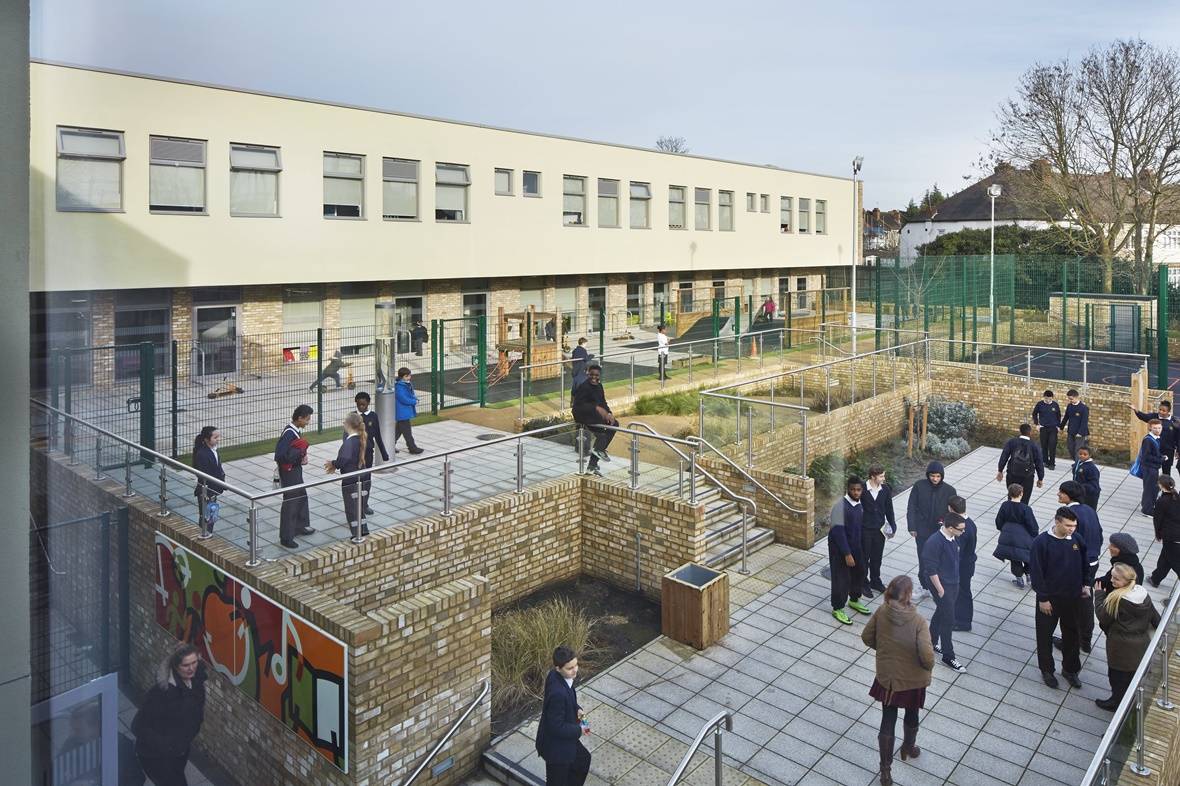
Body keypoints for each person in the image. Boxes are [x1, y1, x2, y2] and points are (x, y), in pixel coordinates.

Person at [862, 575, 934, 786]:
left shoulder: (882, 611)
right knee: (912, 714)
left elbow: (867, 637)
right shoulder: (919, 621)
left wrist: (885, 651)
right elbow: (927, 657)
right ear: (908, 595)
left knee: (888, 718)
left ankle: (885, 772)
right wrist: (928, 667)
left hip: (889, 678)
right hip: (913, 680)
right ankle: (908, 747)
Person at [132, 643, 206, 786]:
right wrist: (168, 746)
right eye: (186, 665)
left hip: (180, 751)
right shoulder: (161, 693)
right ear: (176, 666)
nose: (191, 668)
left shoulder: (196, 681)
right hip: (155, 757)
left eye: (194, 663)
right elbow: (137, 726)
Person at [1029, 507, 1087, 689]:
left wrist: (1086, 584)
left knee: (1072, 635)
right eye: (1068, 525)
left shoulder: (1077, 539)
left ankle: (1070, 670)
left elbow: (1085, 563)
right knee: (1045, 636)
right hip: (1050, 600)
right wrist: (1043, 598)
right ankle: (1047, 670)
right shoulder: (1041, 542)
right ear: (1057, 522)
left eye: (1074, 526)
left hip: (1073, 598)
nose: (1072, 529)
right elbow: (1036, 573)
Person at [1094, 563, 1160, 711]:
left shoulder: (1117, 599)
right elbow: (1155, 618)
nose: (1112, 581)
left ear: (1125, 581)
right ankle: (1126, 701)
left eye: (1116, 579)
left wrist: (1099, 596)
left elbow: (1102, 617)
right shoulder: (1143, 594)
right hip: (1140, 645)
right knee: (1131, 676)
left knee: (1117, 677)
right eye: (1112, 576)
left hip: (1120, 648)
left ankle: (1116, 704)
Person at [536, 645, 591, 786]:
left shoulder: (557, 676)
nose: (575, 670)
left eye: (576, 665)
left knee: (583, 760)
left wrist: (576, 709)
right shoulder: (557, 694)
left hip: (563, 742)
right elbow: (556, 727)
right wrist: (580, 730)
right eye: (570, 668)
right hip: (556, 749)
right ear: (558, 668)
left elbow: (568, 699)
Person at [1059, 480, 1102, 653]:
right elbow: (1099, 534)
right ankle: (1086, 640)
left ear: (1069, 495)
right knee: (1086, 601)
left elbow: (1067, 541)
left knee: (1071, 604)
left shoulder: (1069, 514)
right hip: (1093, 561)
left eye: (1061, 492)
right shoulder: (1090, 510)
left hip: (1077, 564)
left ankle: (1071, 641)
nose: (1058, 494)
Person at [922, 512, 967, 673]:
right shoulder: (934, 542)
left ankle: (931, 641)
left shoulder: (953, 537)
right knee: (949, 618)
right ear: (949, 528)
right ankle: (948, 656)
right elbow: (931, 569)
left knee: (942, 612)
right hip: (941, 586)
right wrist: (940, 590)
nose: (963, 532)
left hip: (952, 583)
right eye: (960, 529)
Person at [906, 461, 956, 599]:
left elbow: (953, 513)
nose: (935, 479)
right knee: (923, 559)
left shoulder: (949, 491)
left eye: (938, 476)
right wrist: (912, 527)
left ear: (942, 476)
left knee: (939, 560)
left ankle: (938, 587)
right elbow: (911, 507)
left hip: (940, 533)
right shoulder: (919, 486)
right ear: (928, 475)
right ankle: (924, 586)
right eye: (932, 476)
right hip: (921, 531)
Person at [829, 477, 871, 625]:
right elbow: (838, 533)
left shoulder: (859, 504)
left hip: (856, 546)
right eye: (853, 489)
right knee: (841, 578)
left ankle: (854, 599)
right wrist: (847, 554)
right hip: (840, 549)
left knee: (860, 572)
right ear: (847, 489)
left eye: (858, 490)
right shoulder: (840, 507)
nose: (856, 492)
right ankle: (838, 607)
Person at [274, 405, 316, 548]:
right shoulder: (289, 433)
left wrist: (301, 456)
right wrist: (299, 456)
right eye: (307, 419)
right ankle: (286, 537)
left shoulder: (294, 431)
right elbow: (280, 455)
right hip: (290, 473)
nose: (308, 422)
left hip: (295, 471)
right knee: (291, 503)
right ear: (299, 418)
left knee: (301, 496)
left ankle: (300, 525)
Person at [325, 411, 369, 538]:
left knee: (351, 509)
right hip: (359, 477)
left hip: (350, 479)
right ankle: (363, 530)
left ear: (348, 425)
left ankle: (357, 534)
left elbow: (344, 459)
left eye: (345, 421)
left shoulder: (350, 442)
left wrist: (334, 463)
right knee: (358, 507)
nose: (343, 423)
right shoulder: (359, 438)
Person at [571, 364, 617, 477]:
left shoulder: (599, 386)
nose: (594, 377)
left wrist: (609, 413)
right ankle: (594, 461)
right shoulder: (584, 387)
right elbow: (577, 406)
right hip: (583, 415)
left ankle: (594, 462)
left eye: (596, 375)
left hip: (594, 414)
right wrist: (596, 408)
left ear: (599, 375)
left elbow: (603, 402)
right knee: (601, 436)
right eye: (591, 374)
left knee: (614, 424)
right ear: (588, 374)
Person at [994, 483, 1040, 588]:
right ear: (1021, 494)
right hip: (1024, 537)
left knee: (1014, 558)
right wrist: (1034, 535)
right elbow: (1032, 525)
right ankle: (1029, 576)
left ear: (1009, 494)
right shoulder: (1026, 508)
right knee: (1028, 556)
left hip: (1009, 536)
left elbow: (998, 521)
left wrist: (1004, 530)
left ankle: (1019, 579)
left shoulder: (1005, 505)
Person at [860, 466, 896, 598]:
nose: (884, 478)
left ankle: (875, 580)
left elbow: (889, 509)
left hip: (879, 530)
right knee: (864, 557)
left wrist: (893, 525)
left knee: (877, 557)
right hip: (865, 529)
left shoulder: (885, 490)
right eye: (881, 476)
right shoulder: (862, 489)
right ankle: (863, 582)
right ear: (873, 476)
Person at [355, 391, 390, 515]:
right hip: (355, 453)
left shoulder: (373, 416)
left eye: (363, 405)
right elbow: (346, 436)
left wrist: (384, 453)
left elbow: (378, 436)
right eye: (359, 405)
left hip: (368, 453)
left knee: (366, 479)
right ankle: (355, 505)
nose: (361, 407)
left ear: (368, 403)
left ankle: (364, 504)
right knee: (355, 480)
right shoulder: (352, 416)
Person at [996, 423, 1044, 505]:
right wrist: (1040, 478)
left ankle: (1010, 512)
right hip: (1027, 477)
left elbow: (1004, 456)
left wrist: (1000, 471)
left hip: (1012, 474)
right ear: (1030, 432)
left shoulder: (1012, 442)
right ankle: (1021, 514)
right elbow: (1039, 462)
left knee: (1012, 496)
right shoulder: (1034, 445)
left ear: (1020, 431)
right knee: (1025, 499)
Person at [191, 426, 226, 534]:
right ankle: (205, 534)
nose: (218, 439)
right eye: (215, 437)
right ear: (206, 439)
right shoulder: (202, 454)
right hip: (206, 490)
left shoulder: (213, 450)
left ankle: (208, 532)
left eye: (218, 436)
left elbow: (217, 467)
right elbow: (203, 474)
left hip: (213, 489)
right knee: (207, 516)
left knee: (211, 515)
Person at [949, 496, 977, 632]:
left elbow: (957, 553)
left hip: (962, 567)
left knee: (963, 593)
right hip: (968, 563)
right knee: (963, 592)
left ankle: (963, 622)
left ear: (951, 509)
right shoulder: (971, 523)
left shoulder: (961, 529)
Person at [1131, 400, 1176, 476]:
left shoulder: (1174, 421)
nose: (1161, 412)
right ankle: (1153, 486)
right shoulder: (1154, 417)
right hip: (1155, 449)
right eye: (1160, 409)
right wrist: (1136, 410)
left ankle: (1166, 487)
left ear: (1169, 412)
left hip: (1168, 450)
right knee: (1153, 470)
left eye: (1164, 411)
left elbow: (1177, 436)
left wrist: (1178, 450)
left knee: (1166, 472)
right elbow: (1144, 417)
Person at [1150, 475, 1180, 587]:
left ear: (1161, 486)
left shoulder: (1162, 501)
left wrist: (1157, 534)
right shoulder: (1176, 496)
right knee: (1166, 557)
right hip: (1176, 534)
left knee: (1174, 561)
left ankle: (1155, 578)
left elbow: (1157, 520)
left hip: (1171, 536)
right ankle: (1155, 578)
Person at [393, 367, 425, 455]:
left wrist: (415, 398)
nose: (409, 377)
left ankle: (389, 445)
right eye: (408, 376)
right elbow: (403, 399)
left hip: (403, 412)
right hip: (402, 412)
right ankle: (412, 448)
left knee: (399, 430)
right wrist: (414, 401)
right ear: (403, 377)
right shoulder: (399, 387)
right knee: (407, 432)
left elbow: (411, 394)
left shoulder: (406, 384)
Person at [1137, 419, 1164, 516]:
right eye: (1155, 428)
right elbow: (1146, 457)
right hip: (1149, 468)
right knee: (1150, 488)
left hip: (1152, 467)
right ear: (1150, 428)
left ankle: (1147, 505)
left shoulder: (1156, 438)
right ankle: (1147, 510)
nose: (1157, 430)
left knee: (1152, 488)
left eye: (1159, 428)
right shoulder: (1148, 440)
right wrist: (1161, 459)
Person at [1032, 390, 1062, 470]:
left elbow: (1059, 416)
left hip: (1053, 428)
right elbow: (1034, 414)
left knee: (1052, 446)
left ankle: (1052, 463)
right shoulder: (1040, 404)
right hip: (1043, 428)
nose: (1048, 400)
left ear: (1052, 398)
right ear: (1044, 397)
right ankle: (1045, 461)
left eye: (1049, 399)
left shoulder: (1055, 405)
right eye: (1046, 398)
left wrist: (1058, 426)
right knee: (1044, 446)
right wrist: (1037, 424)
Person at [1062, 389, 1090, 461]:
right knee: (1070, 447)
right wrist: (1061, 427)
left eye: (1071, 399)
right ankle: (1077, 462)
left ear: (1076, 397)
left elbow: (1084, 422)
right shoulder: (1069, 406)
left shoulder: (1084, 408)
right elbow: (1066, 417)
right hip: (1071, 431)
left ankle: (1077, 465)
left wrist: (1080, 433)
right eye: (1069, 399)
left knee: (1078, 449)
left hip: (1080, 433)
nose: (1070, 400)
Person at [1073, 445, 1102, 510]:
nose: (1082, 456)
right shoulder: (1079, 463)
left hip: (1089, 495)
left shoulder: (1091, 468)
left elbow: (1094, 484)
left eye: (1085, 454)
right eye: (1080, 454)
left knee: (1088, 511)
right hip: (1080, 491)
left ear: (1089, 455)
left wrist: (1081, 487)